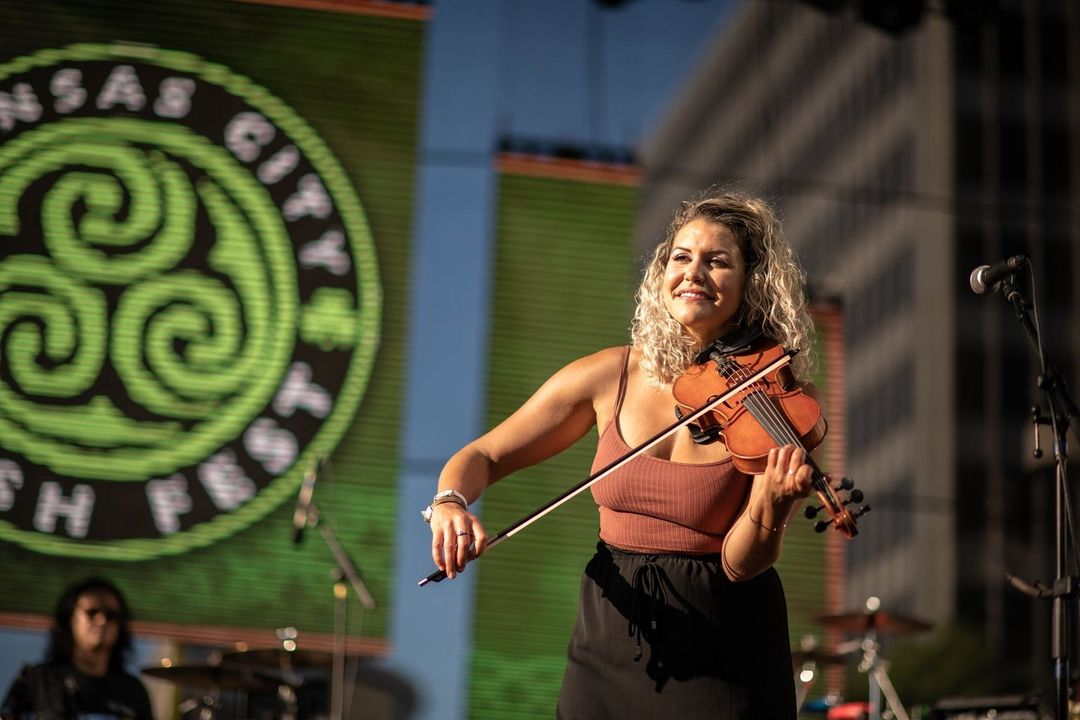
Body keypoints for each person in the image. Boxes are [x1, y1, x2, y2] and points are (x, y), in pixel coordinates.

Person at [424, 189, 820, 718]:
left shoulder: (773, 402)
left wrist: (771, 507)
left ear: (752, 283)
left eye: (718, 261)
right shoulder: (610, 376)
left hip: (724, 642)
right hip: (608, 640)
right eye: (681, 257)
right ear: (662, 273)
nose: (694, 273)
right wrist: (450, 503)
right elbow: (486, 455)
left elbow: (741, 564)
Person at [1, 577, 153, 720]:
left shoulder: (133, 690)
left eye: (111, 615)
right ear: (70, 619)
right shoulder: (39, 679)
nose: (101, 620)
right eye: (91, 612)